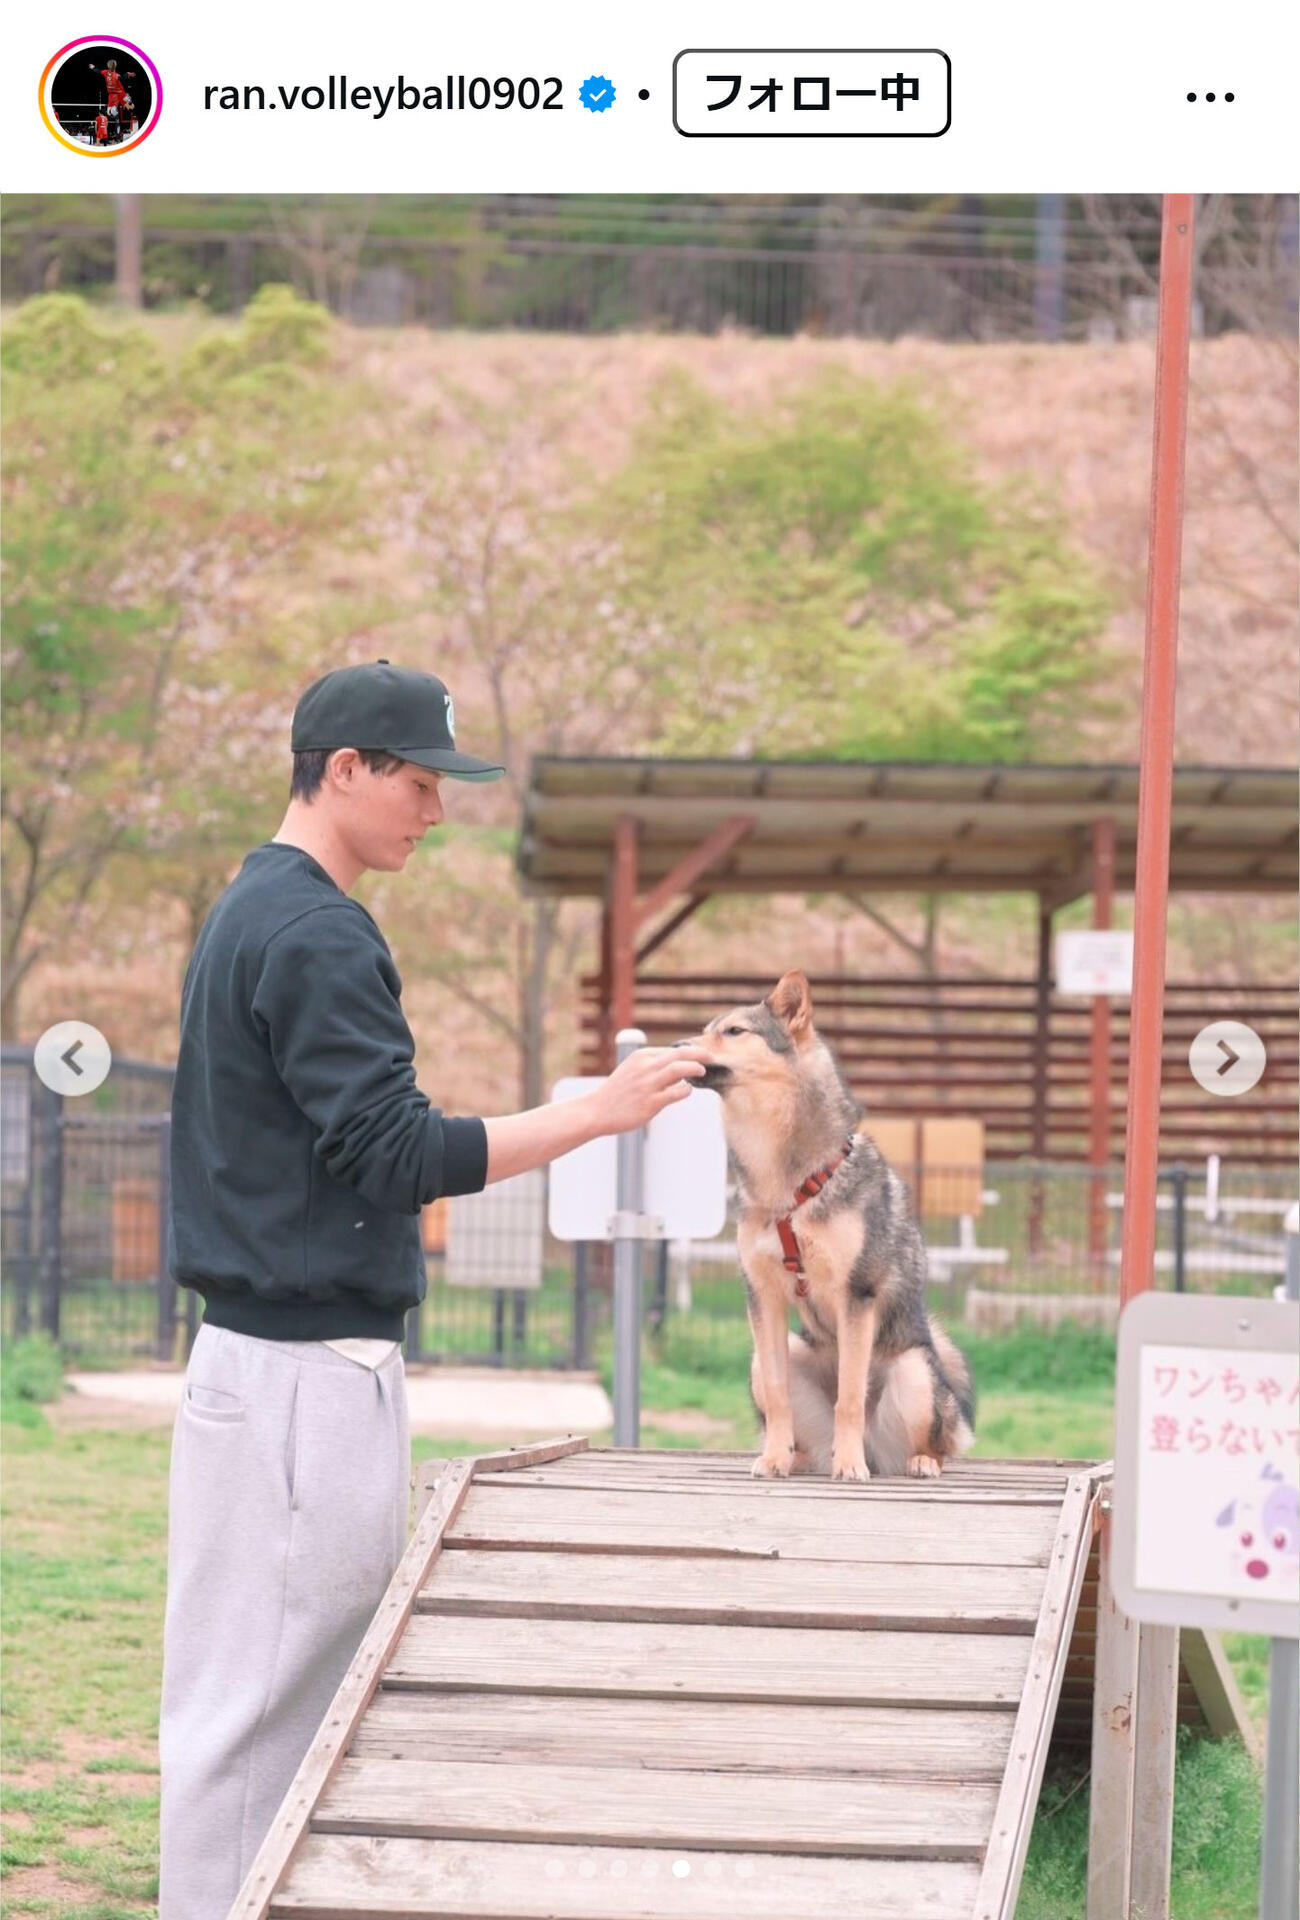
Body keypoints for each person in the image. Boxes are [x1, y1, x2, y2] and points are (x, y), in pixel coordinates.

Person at [158, 659, 708, 1917]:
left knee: (248, 1695)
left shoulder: (255, 908)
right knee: (261, 1710)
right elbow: (397, 1154)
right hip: (301, 1375)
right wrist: (598, 1115)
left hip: (263, 1365)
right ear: (341, 770)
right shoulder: (316, 930)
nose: (436, 810)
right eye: (417, 780)